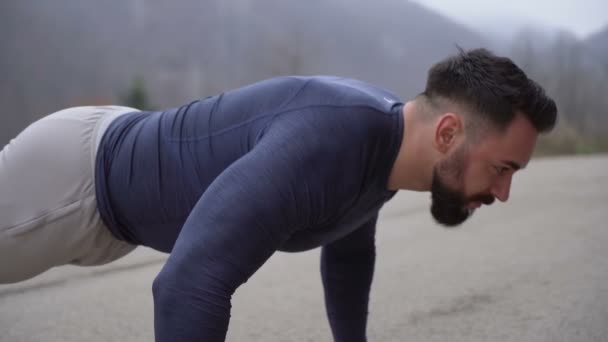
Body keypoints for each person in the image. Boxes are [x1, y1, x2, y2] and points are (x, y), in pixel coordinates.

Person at [0, 48, 557, 342]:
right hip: (74, 183)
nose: (503, 192)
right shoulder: (331, 140)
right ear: (448, 134)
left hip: (116, 187)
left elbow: (348, 250)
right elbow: (188, 286)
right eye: (502, 168)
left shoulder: (389, 143)